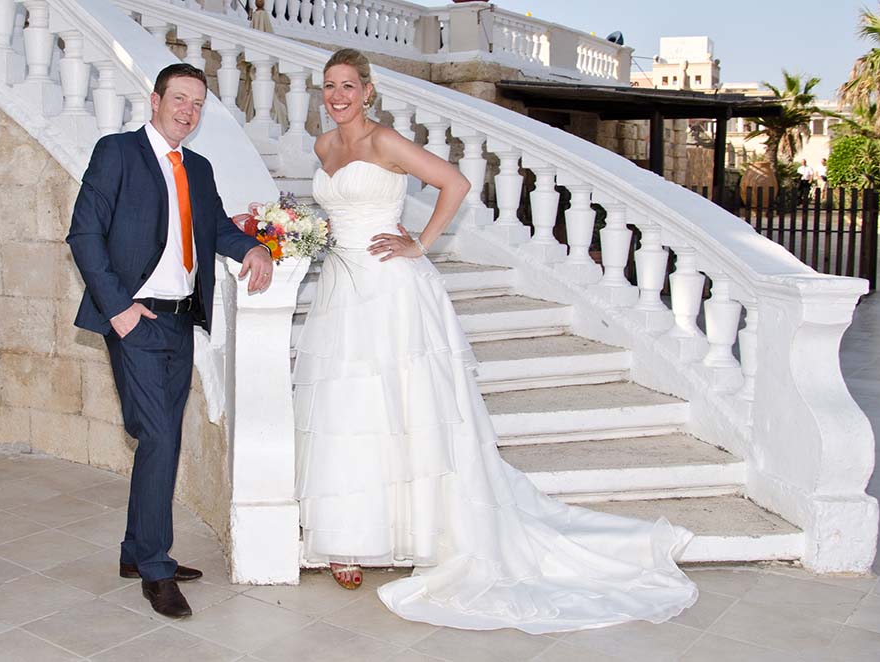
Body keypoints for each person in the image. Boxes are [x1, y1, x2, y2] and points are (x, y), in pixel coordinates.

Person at [293, 48, 698, 634]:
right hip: (341, 289)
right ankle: (348, 538)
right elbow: (338, 211)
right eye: (330, 86)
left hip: (390, 288)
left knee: (406, 406)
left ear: (368, 90)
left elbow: (455, 182)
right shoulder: (322, 147)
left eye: (348, 86)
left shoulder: (384, 141)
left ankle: (421, 527)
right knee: (347, 407)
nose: (338, 96)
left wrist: (419, 243)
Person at [67, 63, 273, 618]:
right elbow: (84, 233)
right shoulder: (117, 153)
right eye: (179, 98)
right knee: (158, 436)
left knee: (163, 440)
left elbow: (216, 229)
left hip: (182, 321)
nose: (188, 110)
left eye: (197, 103)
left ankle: (135, 551)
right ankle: (156, 569)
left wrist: (254, 247)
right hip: (136, 319)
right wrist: (119, 310)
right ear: (154, 101)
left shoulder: (198, 168)